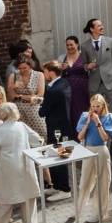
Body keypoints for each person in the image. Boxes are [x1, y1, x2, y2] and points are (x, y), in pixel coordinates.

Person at [0, 104, 38, 223]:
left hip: (6, 168)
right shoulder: (22, 126)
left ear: (2, 114)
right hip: (25, 164)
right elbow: (37, 140)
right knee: (27, 195)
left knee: (4, 199)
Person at [74, 94, 112, 223]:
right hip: (88, 150)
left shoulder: (108, 117)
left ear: (103, 106)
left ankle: (98, 213)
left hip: (101, 151)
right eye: (93, 106)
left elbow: (105, 138)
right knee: (84, 181)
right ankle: (79, 209)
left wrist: (97, 122)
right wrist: (87, 123)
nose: (95, 109)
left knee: (103, 182)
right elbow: (80, 137)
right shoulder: (85, 115)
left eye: (98, 106)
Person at [38, 61, 73, 192]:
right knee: (60, 156)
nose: (44, 74)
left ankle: (64, 189)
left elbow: (42, 112)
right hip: (64, 127)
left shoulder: (53, 91)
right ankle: (58, 187)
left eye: (45, 72)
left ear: (51, 73)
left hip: (56, 130)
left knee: (59, 158)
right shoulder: (64, 83)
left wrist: (41, 103)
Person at [83, 18, 112, 115]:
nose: (102, 27)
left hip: (111, 82)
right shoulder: (84, 46)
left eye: (102, 25)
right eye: (99, 26)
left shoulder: (111, 41)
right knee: (95, 112)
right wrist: (87, 66)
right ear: (92, 29)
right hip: (94, 84)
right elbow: (84, 65)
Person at [8, 57, 47, 141]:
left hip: (35, 109)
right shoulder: (13, 76)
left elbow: (40, 94)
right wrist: (14, 88)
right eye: (20, 68)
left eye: (24, 68)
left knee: (42, 132)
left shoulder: (39, 75)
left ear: (30, 66)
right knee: (23, 135)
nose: (22, 70)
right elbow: (11, 95)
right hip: (19, 111)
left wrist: (20, 96)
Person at [59, 36, 91, 128]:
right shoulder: (62, 57)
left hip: (83, 90)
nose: (69, 47)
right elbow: (58, 74)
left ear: (77, 44)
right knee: (70, 111)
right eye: (67, 45)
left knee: (82, 111)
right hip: (67, 90)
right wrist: (61, 69)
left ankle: (84, 131)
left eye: (71, 45)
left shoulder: (84, 56)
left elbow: (91, 70)